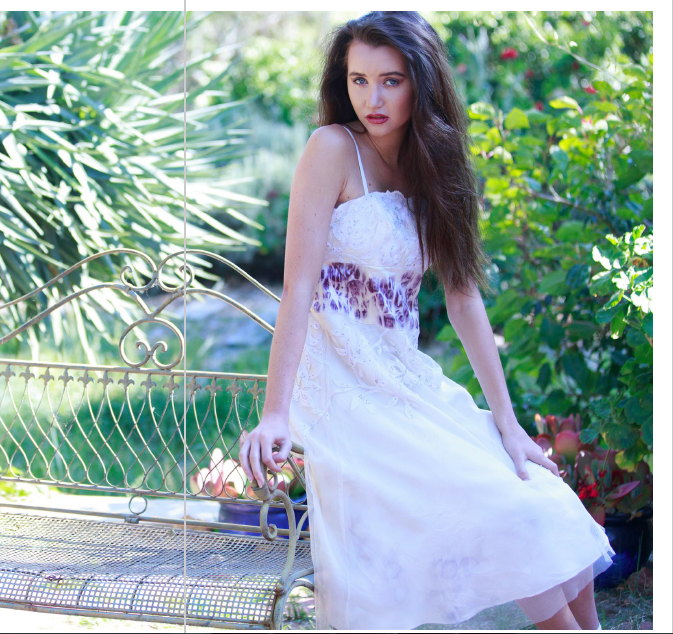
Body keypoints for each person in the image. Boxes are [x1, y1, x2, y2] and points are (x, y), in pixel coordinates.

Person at [237, 11, 615, 631]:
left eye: (391, 81)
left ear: (421, 81)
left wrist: (508, 423)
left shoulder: (435, 164)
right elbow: (297, 289)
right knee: (504, 513)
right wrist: (275, 413)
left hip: (406, 381)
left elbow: (464, 298)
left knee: (540, 494)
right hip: (345, 398)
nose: (372, 99)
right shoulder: (332, 149)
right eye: (359, 80)